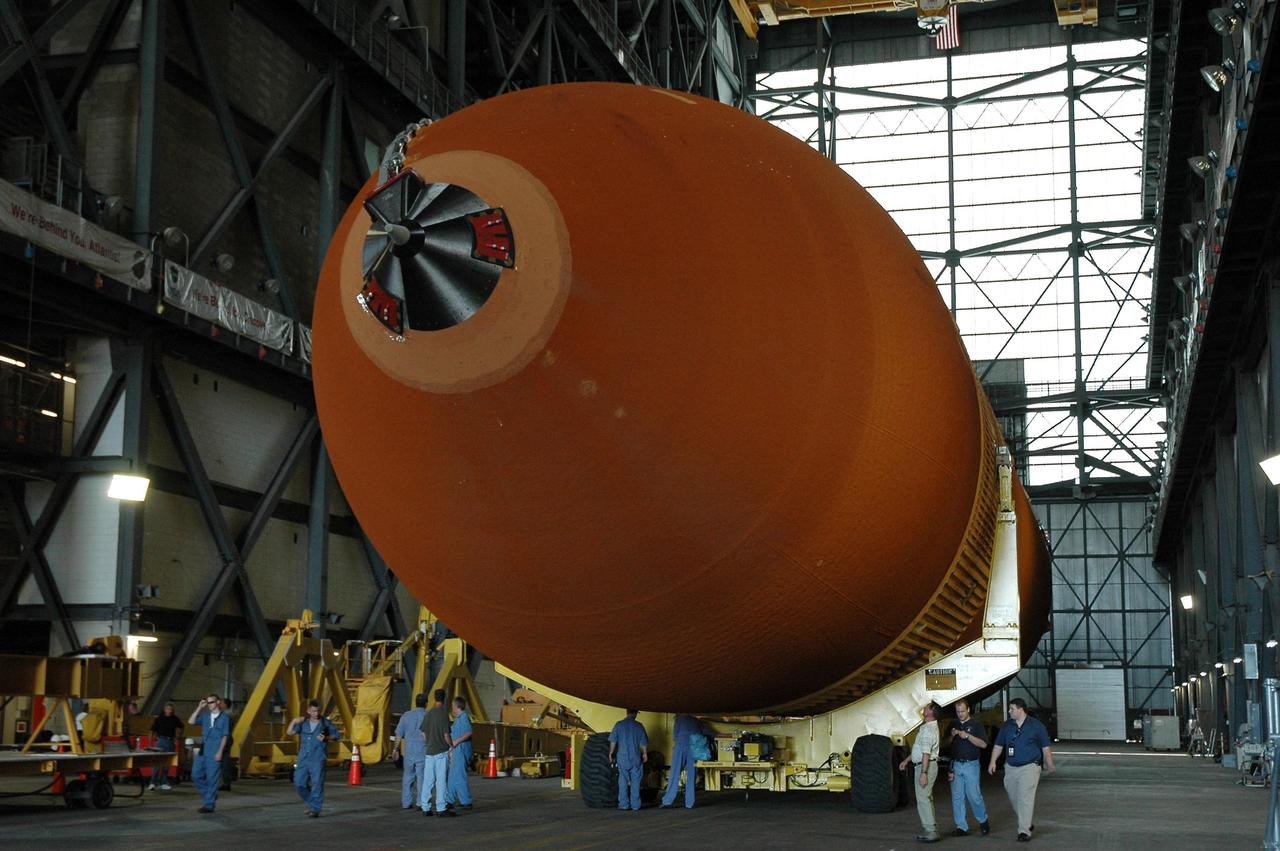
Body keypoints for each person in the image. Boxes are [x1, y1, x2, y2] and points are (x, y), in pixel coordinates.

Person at [988, 697, 1056, 842]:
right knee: (1014, 797)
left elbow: (1045, 747)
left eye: (1012, 709)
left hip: (1029, 767)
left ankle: (1023, 831)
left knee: (1025, 798)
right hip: (1011, 767)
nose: (1009, 711)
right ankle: (1027, 822)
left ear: (1020, 709)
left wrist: (1050, 764)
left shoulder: (1036, 726)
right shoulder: (1007, 726)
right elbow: (999, 745)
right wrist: (993, 761)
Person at [287, 699, 340, 817]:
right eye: (313, 711)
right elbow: (289, 732)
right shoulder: (303, 723)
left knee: (317, 783)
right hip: (303, 758)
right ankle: (311, 803)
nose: (316, 713)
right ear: (308, 711)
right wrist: (294, 721)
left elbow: (336, 736)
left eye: (318, 711)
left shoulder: (325, 724)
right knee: (299, 782)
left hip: (318, 758)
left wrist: (326, 738)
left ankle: (315, 809)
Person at [899, 702, 942, 843]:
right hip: (925, 765)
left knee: (923, 799)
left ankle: (931, 831)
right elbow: (919, 751)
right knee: (926, 798)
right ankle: (931, 828)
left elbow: (926, 754)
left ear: (931, 712)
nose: (924, 707)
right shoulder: (927, 728)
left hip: (926, 767)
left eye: (927, 706)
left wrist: (924, 773)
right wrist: (906, 760)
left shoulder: (929, 731)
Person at [946, 699, 989, 836]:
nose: (960, 714)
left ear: (968, 709)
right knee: (957, 797)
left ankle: (983, 820)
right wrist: (952, 737)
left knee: (974, 796)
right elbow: (944, 744)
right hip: (956, 765)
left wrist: (968, 736)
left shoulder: (976, 725)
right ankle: (961, 827)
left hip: (971, 765)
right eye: (958, 712)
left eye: (963, 711)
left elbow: (983, 744)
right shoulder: (953, 724)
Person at [188, 694, 231, 813]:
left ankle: (209, 804)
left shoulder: (224, 718)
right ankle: (209, 794)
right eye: (208, 702)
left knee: (212, 778)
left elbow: (225, 736)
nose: (209, 705)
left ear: (217, 702)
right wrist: (199, 708)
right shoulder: (205, 716)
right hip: (204, 749)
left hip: (215, 750)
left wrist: (220, 752)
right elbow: (191, 721)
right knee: (195, 774)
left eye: (211, 702)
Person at [419, 689, 455, 817]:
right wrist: (451, 746)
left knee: (428, 780)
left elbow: (422, 732)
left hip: (429, 752)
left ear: (434, 698)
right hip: (441, 752)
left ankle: (425, 807)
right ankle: (441, 808)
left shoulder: (428, 714)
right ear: (444, 699)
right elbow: (446, 734)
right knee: (441, 781)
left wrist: (429, 741)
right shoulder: (443, 714)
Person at [608, 709, 649, 811]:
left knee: (623, 779)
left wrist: (611, 753)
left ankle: (624, 804)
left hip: (622, 756)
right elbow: (643, 741)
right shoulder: (639, 725)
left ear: (626, 712)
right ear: (635, 713)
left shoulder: (619, 724)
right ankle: (635, 805)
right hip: (635, 756)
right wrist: (644, 753)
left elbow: (613, 740)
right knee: (636, 781)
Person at [660, 714, 703, 809]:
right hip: (693, 747)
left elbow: (675, 736)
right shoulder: (696, 721)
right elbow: (702, 734)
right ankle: (689, 803)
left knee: (675, 774)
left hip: (680, 746)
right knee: (691, 776)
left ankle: (667, 801)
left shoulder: (679, 719)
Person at [395, 694, 429, 811]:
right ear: (426, 703)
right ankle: (420, 802)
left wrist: (395, 749)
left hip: (408, 752)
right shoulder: (427, 715)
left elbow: (399, 734)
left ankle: (406, 803)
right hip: (422, 751)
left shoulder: (406, 715)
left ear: (415, 702)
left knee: (407, 777)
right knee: (422, 778)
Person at [447, 696, 474, 810]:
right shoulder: (458, 719)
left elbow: (469, 732)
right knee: (452, 776)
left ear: (457, 706)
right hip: (456, 751)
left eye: (453, 706)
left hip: (460, 751)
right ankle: (449, 800)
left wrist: (455, 742)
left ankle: (466, 801)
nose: (452, 709)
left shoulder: (463, 717)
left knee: (459, 776)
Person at [149, 702, 184, 791]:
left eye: (171, 709)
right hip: (160, 741)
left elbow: (181, 727)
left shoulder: (175, 719)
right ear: (164, 710)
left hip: (170, 741)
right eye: (167, 709)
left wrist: (177, 737)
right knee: (157, 762)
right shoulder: (159, 719)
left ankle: (164, 782)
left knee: (167, 763)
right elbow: (152, 730)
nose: (169, 711)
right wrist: (150, 743)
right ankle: (153, 782)